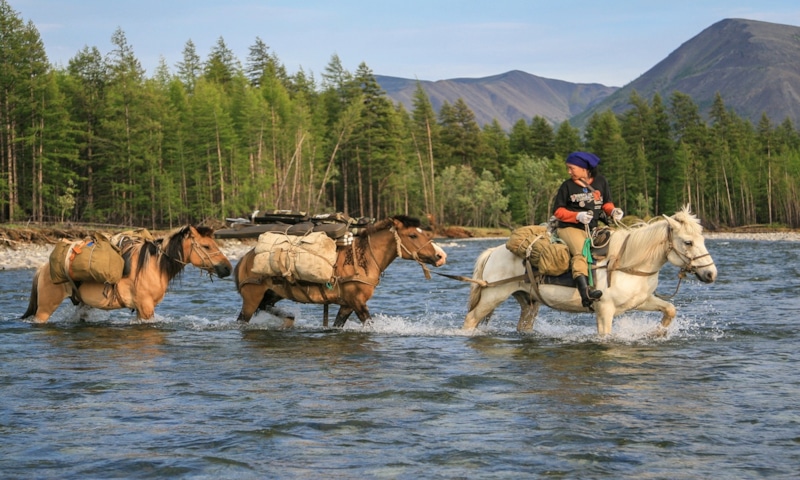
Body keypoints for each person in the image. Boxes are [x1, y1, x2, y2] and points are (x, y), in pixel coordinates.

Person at [552, 151, 623, 308]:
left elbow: (606, 203)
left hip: (593, 228)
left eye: (571, 168)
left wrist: (613, 211)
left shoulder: (601, 182)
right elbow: (557, 211)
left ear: (585, 169)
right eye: (568, 168)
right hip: (570, 227)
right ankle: (586, 293)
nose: (569, 171)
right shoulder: (567, 186)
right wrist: (577, 216)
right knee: (580, 252)